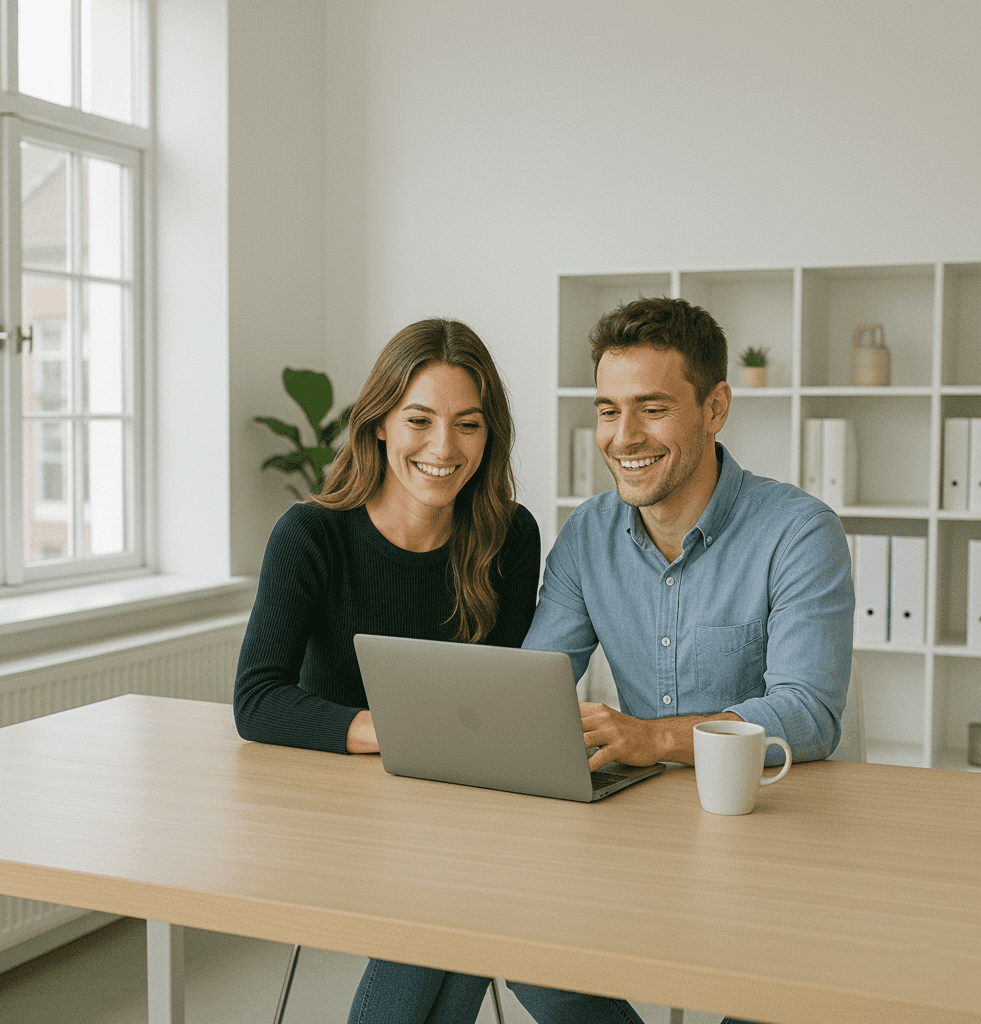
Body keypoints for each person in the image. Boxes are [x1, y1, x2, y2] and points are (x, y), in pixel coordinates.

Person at [505, 296, 855, 1024]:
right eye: (607, 409)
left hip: (774, 835)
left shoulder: (798, 531)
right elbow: (532, 688)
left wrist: (653, 736)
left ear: (716, 406)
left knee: (771, 1001)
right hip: (637, 831)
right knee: (527, 955)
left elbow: (811, 714)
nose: (622, 436)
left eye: (652, 408)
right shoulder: (587, 534)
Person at [234, 318, 541, 1024]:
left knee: (462, 887)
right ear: (378, 425)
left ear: (490, 435)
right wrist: (394, 731)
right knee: (459, 897)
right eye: (420, 420)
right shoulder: (311, 535)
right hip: (339, 815)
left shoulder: (509, 537)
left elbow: (505, 699)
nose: (443, 447)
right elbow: (257, 700)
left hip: (456, 811)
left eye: (468, 424)